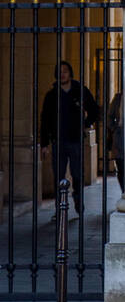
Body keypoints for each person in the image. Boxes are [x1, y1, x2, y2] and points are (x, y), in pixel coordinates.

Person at [39, 60, 99, 219]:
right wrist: (44, 143)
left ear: (70, 73)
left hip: (75, 140)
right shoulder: (51, 95)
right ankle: (60, 210)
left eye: (65, 70)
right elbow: (44, 120)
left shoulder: (80, 90)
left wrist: (85, 123)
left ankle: (79, 204)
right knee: (58, 176)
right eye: (60, 71)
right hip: (57, 141)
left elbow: (94, 110)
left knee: (77, 175)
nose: (62, 74)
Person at [107, 86, 125, 191]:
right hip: (119, 136)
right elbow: (109, 116)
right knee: (121, 167)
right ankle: (124, 191)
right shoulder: (118, 98)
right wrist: (114, 129)